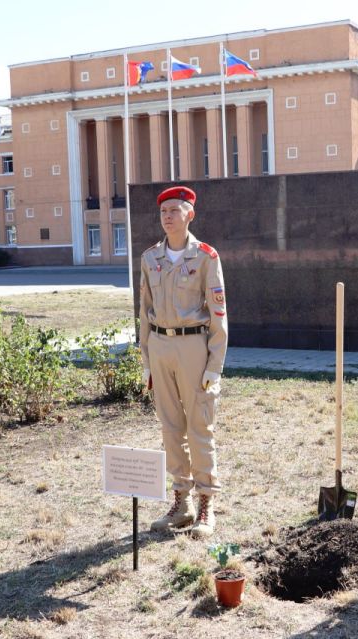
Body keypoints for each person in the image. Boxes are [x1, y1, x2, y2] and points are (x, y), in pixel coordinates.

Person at [139, 186, 228, 539]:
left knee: (199, 427)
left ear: (190, 214)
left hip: (193, 346)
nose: (167, 216)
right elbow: (144, 312)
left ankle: (207, 503)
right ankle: (181, 503)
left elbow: (219, 315)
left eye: (175, 210)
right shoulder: (149, 258)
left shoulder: (206, 257)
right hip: (160, 345)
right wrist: (146, 359)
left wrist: (214, 365)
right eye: (163, 211)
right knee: (170, 427)